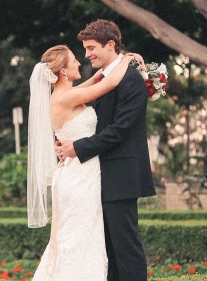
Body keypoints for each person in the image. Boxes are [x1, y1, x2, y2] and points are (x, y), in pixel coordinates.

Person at [27, 44, 143, 281]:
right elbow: (108, 85)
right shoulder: (68, 97)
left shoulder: (64, 94)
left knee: (78, 237)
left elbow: (96, 81)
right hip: (79, 178)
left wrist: (107, 69)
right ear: (63, 71)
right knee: (78, 240)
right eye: (73, 61)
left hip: (77, 173)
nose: (80, 62)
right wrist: (126, 59)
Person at [55, 19, 156, 281]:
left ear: (110, 45)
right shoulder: (106, 78)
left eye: (91, 48)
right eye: (85, 49)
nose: (87, 55)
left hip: (121, 176)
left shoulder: (131, 79)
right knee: (108, 250)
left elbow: (120, 130)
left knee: (125, 248)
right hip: (98, 177)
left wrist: (77, 147)